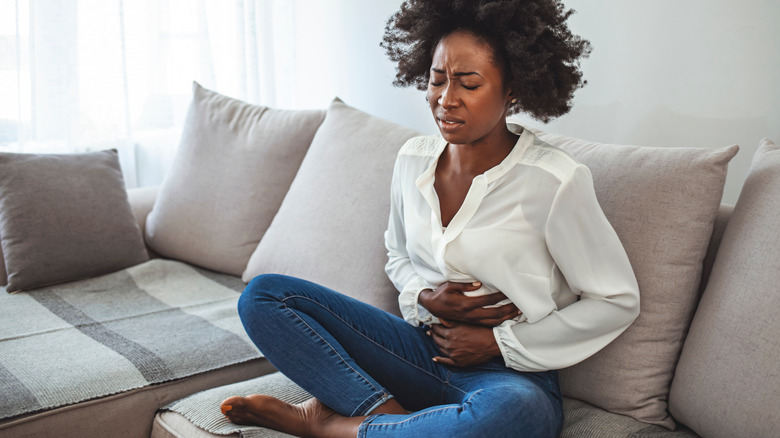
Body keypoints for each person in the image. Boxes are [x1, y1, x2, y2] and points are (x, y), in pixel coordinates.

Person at [220, 1, 640, 437]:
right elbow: (397, 254)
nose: (446, 99)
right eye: (437, 79)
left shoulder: (555, 181)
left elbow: (615, 300)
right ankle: (394, 420)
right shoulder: (412, 160)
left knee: (520, 416)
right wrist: (424, 297)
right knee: (264, 297)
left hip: (510, 374)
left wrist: (498, 343)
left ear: (512, 88)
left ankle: (333, 427)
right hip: (417, 349)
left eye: (468, 84)